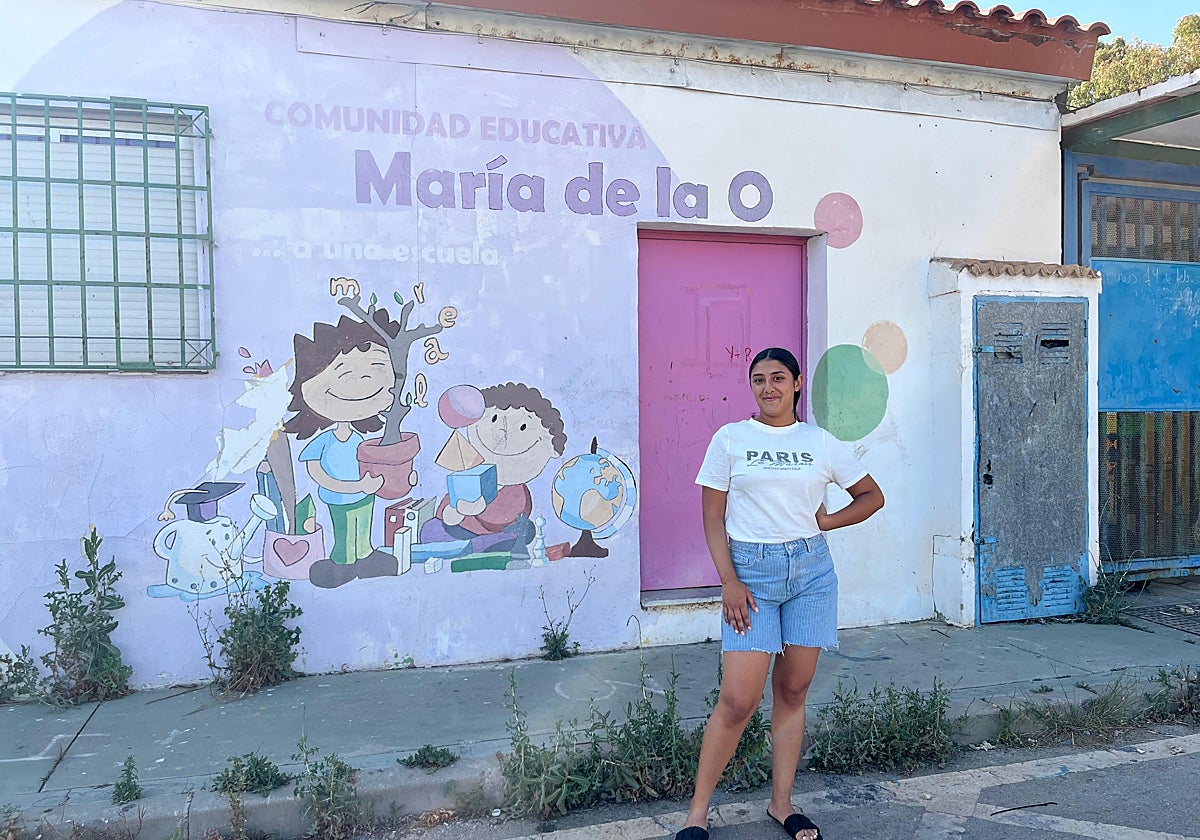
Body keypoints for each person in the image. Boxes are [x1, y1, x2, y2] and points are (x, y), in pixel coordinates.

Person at [676, 347, 885, 840]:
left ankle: (782, 804)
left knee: (792, 690)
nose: (767, 387)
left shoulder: (820, 442)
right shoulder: (730, 439)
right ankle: (697, 813)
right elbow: (712, 516)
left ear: (795, 385)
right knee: (738, 698)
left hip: (811, 574)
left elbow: (872, 496)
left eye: (777, 378)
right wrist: (728, 579)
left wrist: (830, 521)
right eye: (757, 379)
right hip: (751, 576)